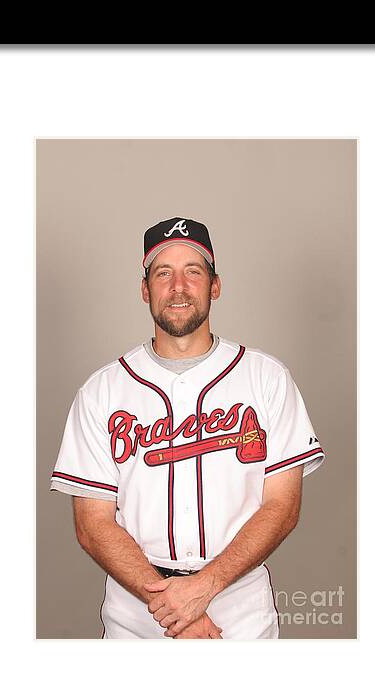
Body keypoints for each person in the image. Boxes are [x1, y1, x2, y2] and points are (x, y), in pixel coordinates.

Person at [50, 217, 325, 639]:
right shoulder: (101, 391)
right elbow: (92, 524)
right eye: (164, 273)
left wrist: (204, 587)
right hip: (137, 613)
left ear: (215, 286)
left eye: (192, 272)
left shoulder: (266, 378)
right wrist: (177, 608)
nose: (178, 287)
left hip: (240, 605)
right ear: (146, 290)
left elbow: (282, 506)